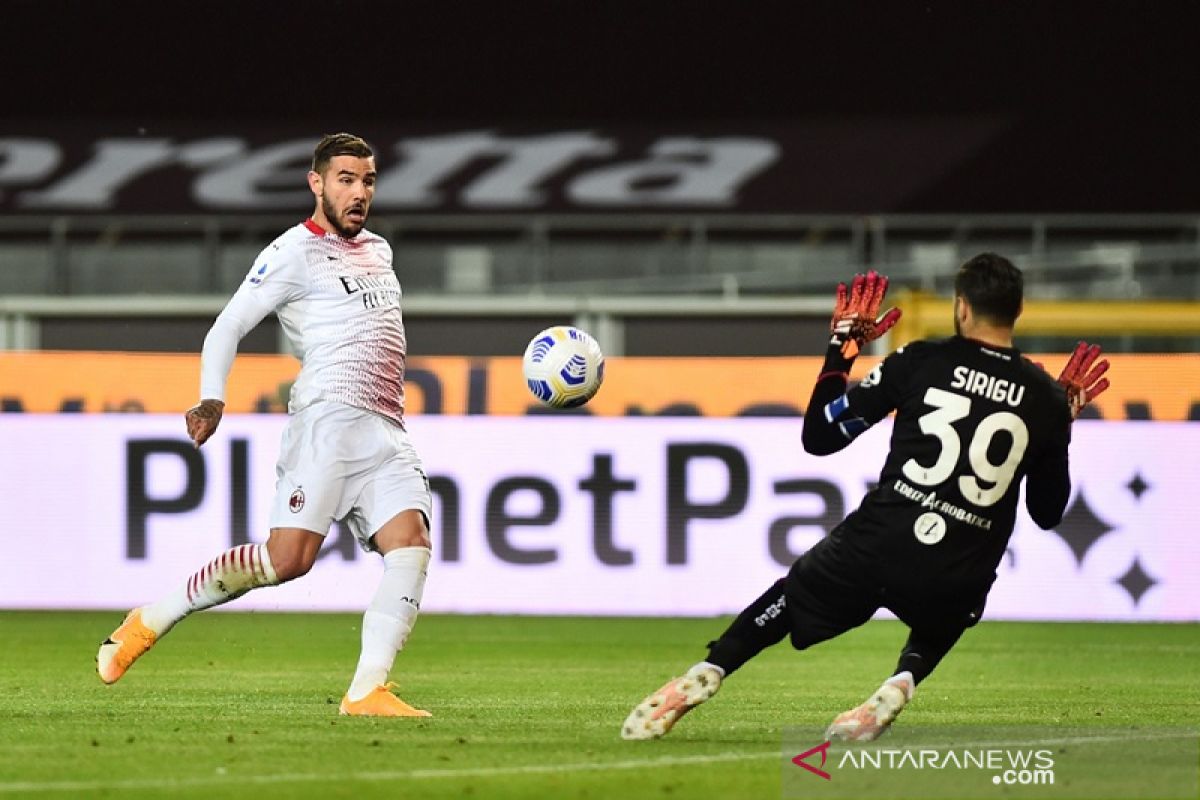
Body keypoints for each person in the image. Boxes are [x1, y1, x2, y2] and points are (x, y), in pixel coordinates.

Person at [621, 254, 1111, 741]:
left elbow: (820, 436)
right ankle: (902, 681)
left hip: (881, 538)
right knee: (958, 604)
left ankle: (708, 670)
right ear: (1017, 311)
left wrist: (842, 348)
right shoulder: (1044, 396)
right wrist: (1060, 424)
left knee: (792, 596)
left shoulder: (920, 361)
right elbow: (1047, 513)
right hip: (958, 561)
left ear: (962, 308)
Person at [97, 133, 435, 718]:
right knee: (288, 561)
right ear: (317, 184)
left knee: (411, 546)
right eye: (346, 180)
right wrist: (211, 400)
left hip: (385, 429)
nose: (359, 193)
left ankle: (365, 692)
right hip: (326, 426)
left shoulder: (379, 249)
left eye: (368, 181)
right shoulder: (291, 254)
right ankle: (148, 620)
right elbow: (225, 328)